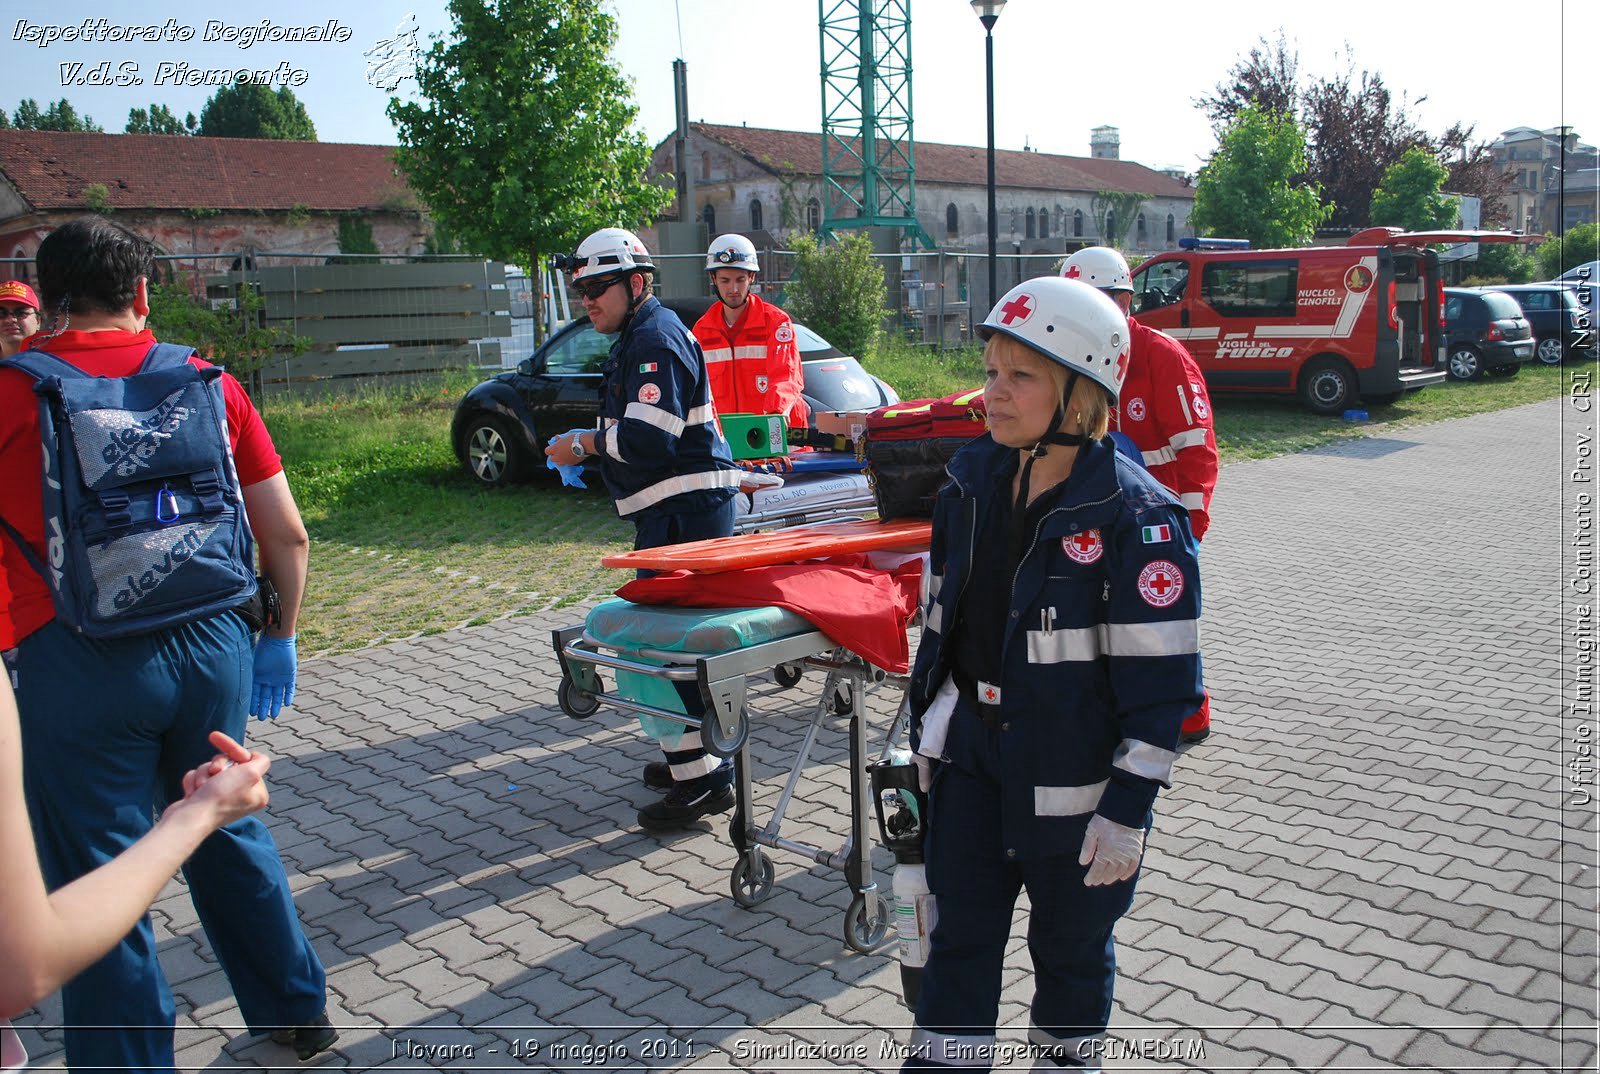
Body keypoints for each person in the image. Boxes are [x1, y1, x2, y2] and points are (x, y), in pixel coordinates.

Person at [0, 217, 335, 1071]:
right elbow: (287, 537)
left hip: (75, 661)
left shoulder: (10, 389)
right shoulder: (208, 383)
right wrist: (279, 637)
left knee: (98, 873)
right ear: (143, 294)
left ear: (49, 305)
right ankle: (297, 1013)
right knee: (223, 822)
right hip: (216, 643)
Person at [900, 276, 1204, 1072]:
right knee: (954, 946)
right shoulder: (969, 483)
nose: (990, 394)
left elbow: (1163, 689)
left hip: (1077, 787)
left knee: (1070, 957)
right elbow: (940, 628)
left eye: (1018, 376)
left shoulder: (1139, 521)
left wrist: (1128, 811)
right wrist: (926, 735)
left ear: (1079, 396)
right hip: (972, 763)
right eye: (991, 371)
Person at [544, 227, 744, 832]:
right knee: (667, 652)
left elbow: (648, 442)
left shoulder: (652, 339)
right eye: (581, 291)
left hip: (685, 519)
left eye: (598, 288)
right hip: (676, 515)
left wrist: (580, 444)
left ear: (636, 283)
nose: (587, 301)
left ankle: (701, 781)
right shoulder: (640, 336)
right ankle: (697, 762)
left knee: (649, 650)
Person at [0, 672, 272, 1018]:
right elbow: (19, 969)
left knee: (95, 852)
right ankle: (295, 1009)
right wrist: (199, 815)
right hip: (204, 648)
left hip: (73, 665)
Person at [1061, 246, 1218, 744]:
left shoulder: (1160, 356)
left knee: (1164, 619)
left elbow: (1198, 449)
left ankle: (1186, 717)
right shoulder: (1067, 359)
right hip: (1096, 516)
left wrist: (1188, 530)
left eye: (1115, 302)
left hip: (1157, 520)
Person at [690, 234, 807, 431]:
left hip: (779, 438)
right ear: (714, 279)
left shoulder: (775, 323)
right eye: (725, 280)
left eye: (740, 280)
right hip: (729, 442)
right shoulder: (702, 331)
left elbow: (786, 375)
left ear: (752, 277)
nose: (733, 289)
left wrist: (776, 414)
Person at [0, 281, 40, 359]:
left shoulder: (53, 362)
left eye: (21, 313)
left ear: (38, 321)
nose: (11, 320)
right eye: (1, 313)